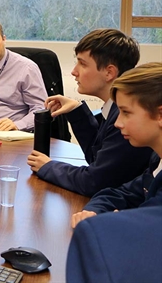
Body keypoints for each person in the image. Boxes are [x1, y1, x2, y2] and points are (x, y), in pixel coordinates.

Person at [66, 63, 162, 282]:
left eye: (126, 113)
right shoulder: (157, 160)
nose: (118, 123)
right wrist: (94, 211)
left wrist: (121, 224)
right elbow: (120, 193)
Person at [27, 29, 152, 197]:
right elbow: (96, 157)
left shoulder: (125, 119)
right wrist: (76, 111)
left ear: (109, 72)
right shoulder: (114, 109)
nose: (74, 71)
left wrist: (48, 166)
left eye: (83, 64)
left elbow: (94, 181)